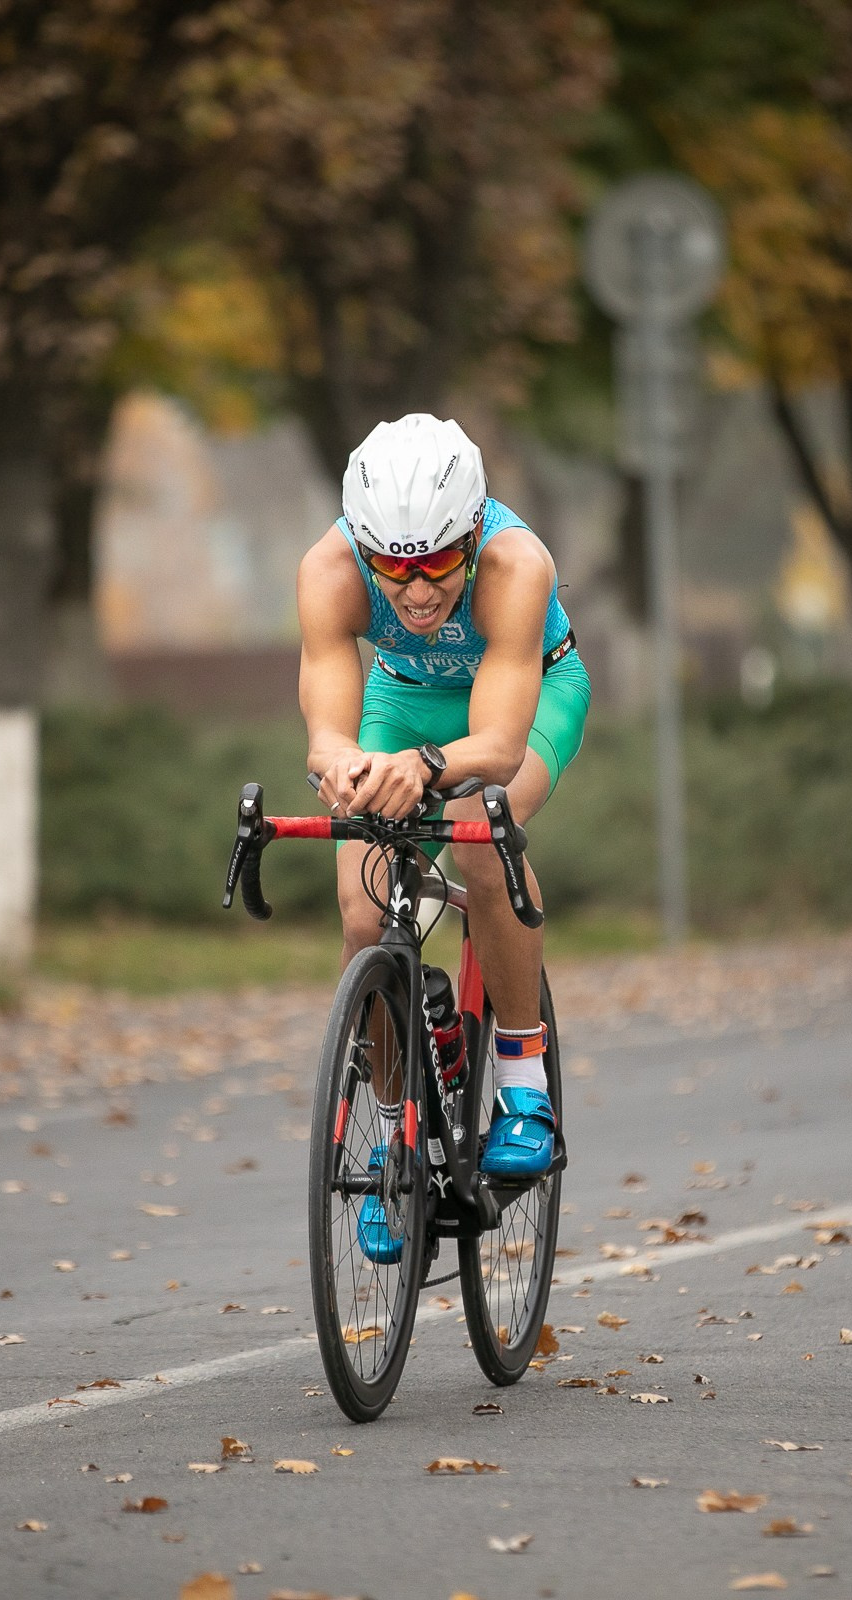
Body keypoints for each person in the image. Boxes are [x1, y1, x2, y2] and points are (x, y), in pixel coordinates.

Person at [298, 414, 589, 1254]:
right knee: (362, 907)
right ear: (364, 548)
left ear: (470, 536)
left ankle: (526, 1084)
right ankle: (394, 1137)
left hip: (524, 695)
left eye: (435, 564)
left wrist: (423, 769)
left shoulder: (515, 564)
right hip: (405, 698)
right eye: (393, 566)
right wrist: (344, 766)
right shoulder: (327, 569)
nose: (417, 589)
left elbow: (496, 749)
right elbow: (327, 726)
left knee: (475, 829)